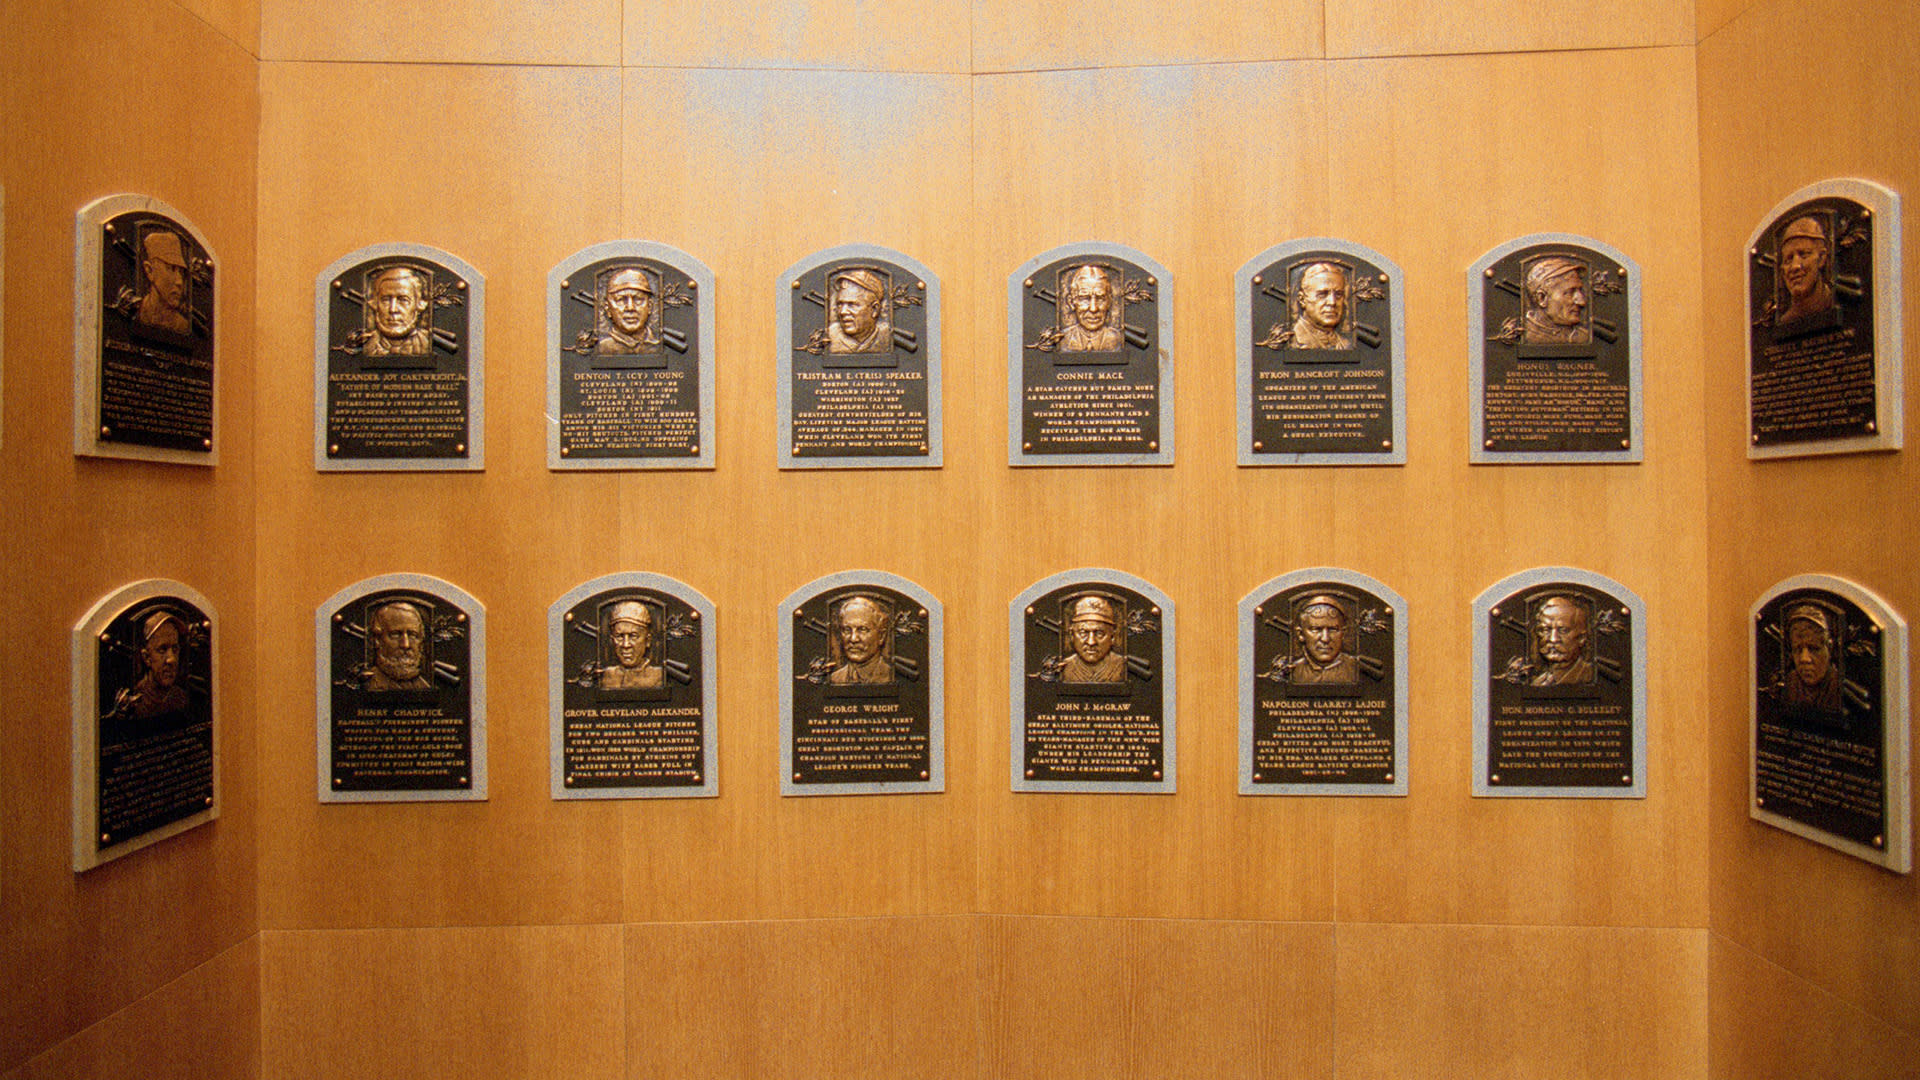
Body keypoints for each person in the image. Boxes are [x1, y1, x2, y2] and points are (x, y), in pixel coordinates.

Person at [1781, 603, 1844, 715]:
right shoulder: (1789, 683)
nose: (1804, 659)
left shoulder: (1839, 688)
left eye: (1814, 649)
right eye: (1798, 649)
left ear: (1829, 648)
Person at [1775, 215, 1837, 324]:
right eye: (1788, 260)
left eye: (1804, 255)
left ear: (1822, 258)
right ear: (1782, 271)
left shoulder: (1835, 302)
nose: (1795, 266)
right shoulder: (1786, 320)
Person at [128, 611, 191, 720]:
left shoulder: (181, 697)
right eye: (162, 650)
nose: (171, 659)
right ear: (147, 657)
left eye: (175, 649)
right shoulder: (134, 702)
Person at [364, 266, 433, 357]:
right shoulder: (365, 344)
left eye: (403, 300)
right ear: (374, 304)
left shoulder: (427, 343)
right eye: (385, 300)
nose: (393, 309)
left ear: (419, 304)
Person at [365, 600, 433, 691]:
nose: (405, 645)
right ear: (377, 640)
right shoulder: (368, 683)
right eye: (395, 634)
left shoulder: (424, 686)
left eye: (412, 635)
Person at [1521, 257, 1590, 345]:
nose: (1582, 302)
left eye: (1580, 291)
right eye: (1570, 292)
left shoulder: (1583, 337)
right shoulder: (1521, 334)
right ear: (1542, 298)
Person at [1290, 596, 1358, 684]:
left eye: (1333, 629)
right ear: (1301, 634)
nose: (1325, 639)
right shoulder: (1292, 672)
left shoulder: (1357, 669)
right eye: (1316, 629)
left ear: (1343, 633)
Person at [135, 229, 192, 335]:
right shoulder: (135, 313)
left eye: (181, 272)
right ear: (149, 271)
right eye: (171, 269)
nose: (180, 282)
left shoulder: (182, 326)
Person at [1529, 596, 1594, 686]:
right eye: (1545, 630)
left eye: (1563, 630)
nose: (1553, 639)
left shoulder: (1589, 675)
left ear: (1582, 638)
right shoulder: (1538, 682)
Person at [599, 600, 664, 689]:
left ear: (648, 641)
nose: (626, 645)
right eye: (620, 636)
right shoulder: (605, 676)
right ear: (612, 640)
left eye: (633, 636)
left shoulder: (660, 677)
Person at [1061, 595, 1127, 683]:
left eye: (1099, 634)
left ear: (1112, 637)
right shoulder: (1064, 667)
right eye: (1083, 633)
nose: (1091, 642)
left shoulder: (1123, 667)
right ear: (1072, 635)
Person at [829, 596, 893, 685]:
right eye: (847, 630)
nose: (853, 639)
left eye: (862, 629)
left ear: (881, 636)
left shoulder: (891, 675)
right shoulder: (834, 678)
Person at [595, 267, 660, 355]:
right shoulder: (602, 348)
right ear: (607, 308)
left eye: (638, 299)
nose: (630, 308)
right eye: (621, 300)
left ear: (650, 306)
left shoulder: (659, 345)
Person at [1059, 264, 1123, 352]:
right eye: (1085, 299)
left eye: (1100, 298)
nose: (1093, 308)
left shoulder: (1118, 339)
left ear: (1109, 301)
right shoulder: (1062, 340)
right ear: (1071, 302)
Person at [827, 268, 891, 354]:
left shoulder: (888, 338)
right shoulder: (828, 338)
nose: (842, 312)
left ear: (875, 309)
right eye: (840, 304)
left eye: (852, 305)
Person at [1290, 262, 1352, 350]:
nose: (1332, 302)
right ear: (1302, 299)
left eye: (1338, 295)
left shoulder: (1346, 344)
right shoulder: (1291, 340)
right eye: (1322, 294)